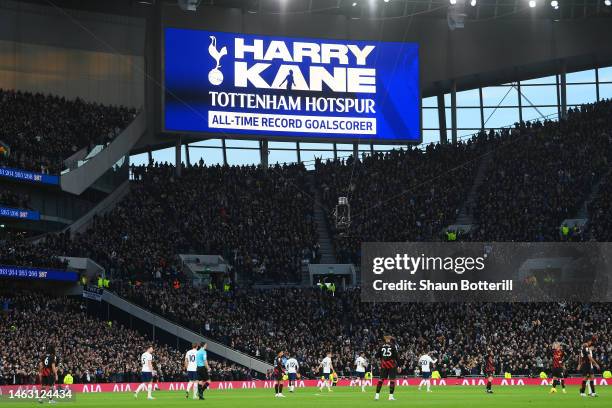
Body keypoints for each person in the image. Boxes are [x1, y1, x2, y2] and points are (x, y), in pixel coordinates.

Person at [374, 335, 399, 401]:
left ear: (385, 339)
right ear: (390, 339)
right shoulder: (393, 345)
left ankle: (376, 396)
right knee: (392, 380)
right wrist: (399, 365)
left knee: (381, 380)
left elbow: (376, 355)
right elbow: (396, 356)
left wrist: (381, 358)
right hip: (391, 364)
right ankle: (390, 397)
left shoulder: (381, 345)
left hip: (384, 364)